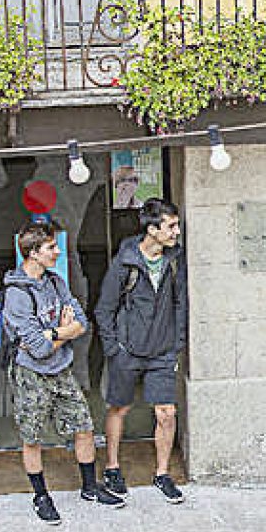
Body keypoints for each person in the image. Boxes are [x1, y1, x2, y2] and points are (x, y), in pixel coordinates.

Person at [4, 220, 124, 524]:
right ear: (32, 253)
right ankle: (41, 496)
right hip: (31, 375)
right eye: (51, 247)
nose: (58, 251)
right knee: (32, 437)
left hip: (61, 371)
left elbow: (82, 323)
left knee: (83, 426)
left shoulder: (56, 282)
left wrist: (53, 333)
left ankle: (89, 486)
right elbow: (36, 348)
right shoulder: (17, 294)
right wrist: (63, 331)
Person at [94, 198, 188, 504]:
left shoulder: (175, 259)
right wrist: (114, 349)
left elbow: (180, 303)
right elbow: (104, 309)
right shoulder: (125, 262)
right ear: (152, 229)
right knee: (119, 407)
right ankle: (112, 467)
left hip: (162, 351)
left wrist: (177, 345)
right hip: (127, 350)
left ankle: (162, 474)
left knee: (167, 413)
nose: (176, 231)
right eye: (171, 226)